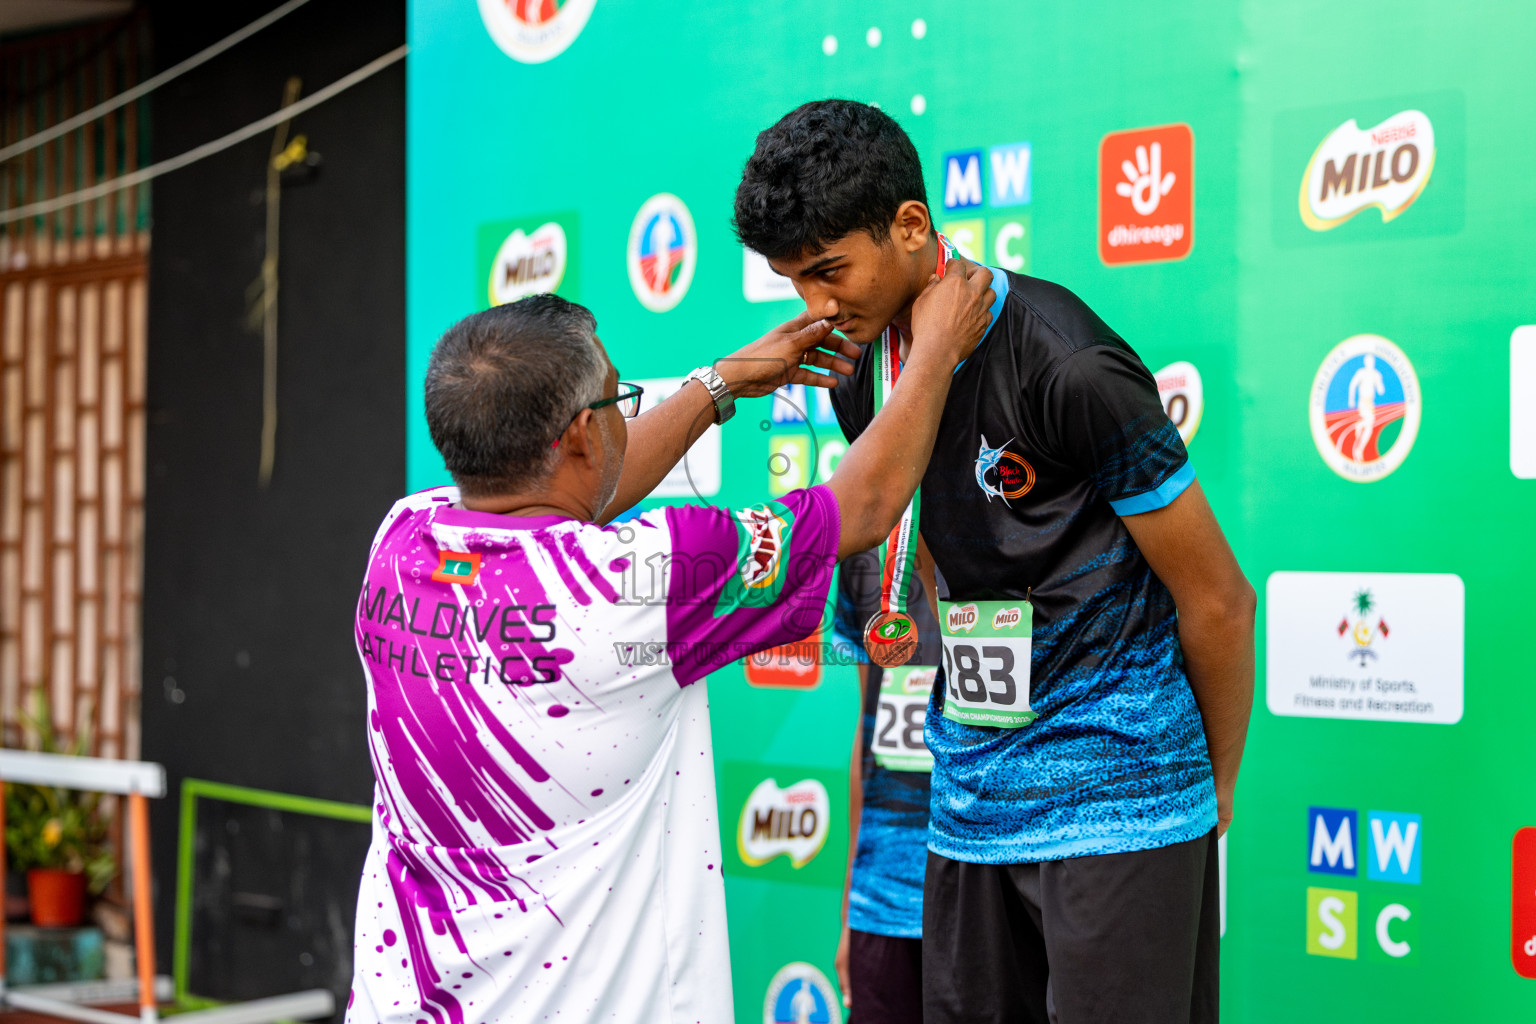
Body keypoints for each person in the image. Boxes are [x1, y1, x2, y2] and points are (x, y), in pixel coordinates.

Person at [346, 277, 994, 1024]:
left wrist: (718, 387)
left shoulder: (401, 539)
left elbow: (568, 495)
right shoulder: (647, 581)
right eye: (623, 403)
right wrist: (939, 349)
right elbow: (869, 503)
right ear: (583, 434)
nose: (630, 417)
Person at [735, 99, 1256, 1023]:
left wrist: (1204, 793)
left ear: (910, 226)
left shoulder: (1067, 359)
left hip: (1121, 802)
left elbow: (1218, 599)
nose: (815, 307)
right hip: (970, 804)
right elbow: (934, 561)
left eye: (828, 272)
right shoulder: (859, 372)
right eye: (792, 281)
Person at [830, 548, 939, 1024]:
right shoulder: (866, 557)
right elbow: (868, 733)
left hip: (986, 896)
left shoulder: (1018, 534)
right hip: (881, 900)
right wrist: (851, 902)